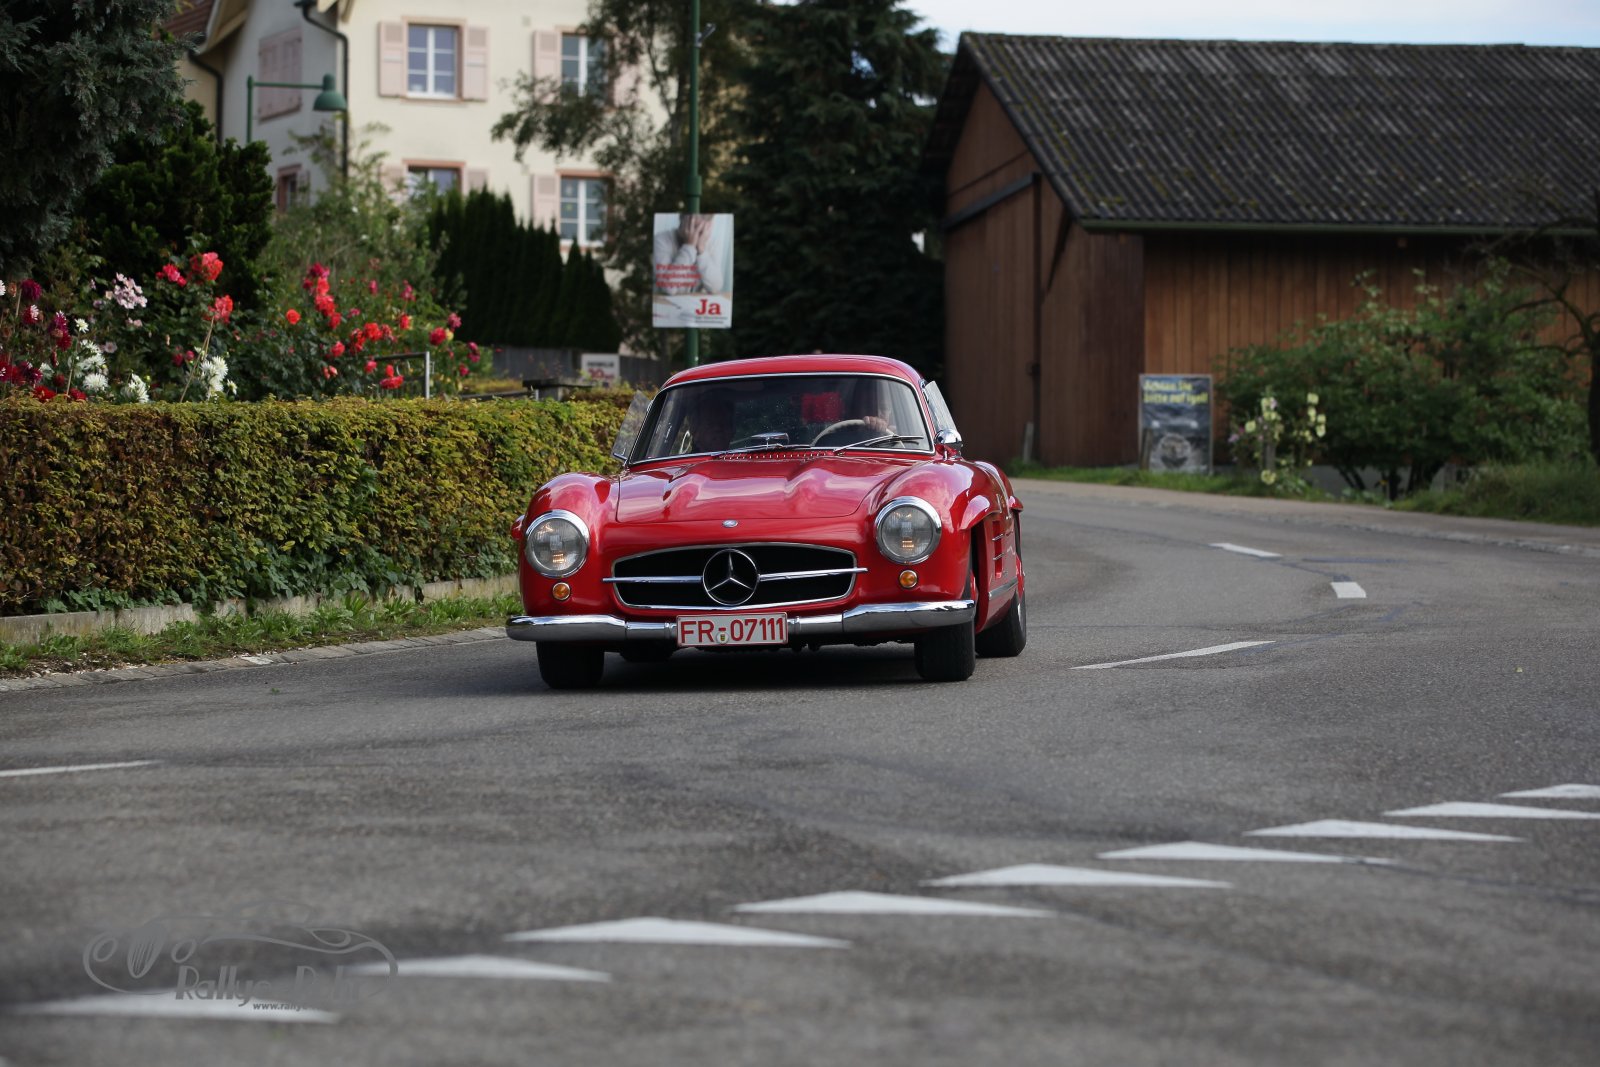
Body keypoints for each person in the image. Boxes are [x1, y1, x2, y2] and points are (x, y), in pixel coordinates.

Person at [653, 214, 725, 295]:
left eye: (701, 230)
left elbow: (716, 287)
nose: (695, 235)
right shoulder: (661, 240)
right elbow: (668, 289)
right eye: (693, 227)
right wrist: (689, 246)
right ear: (681, 219)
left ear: (709, 225)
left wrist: (701, 251)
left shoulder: (712, 243)